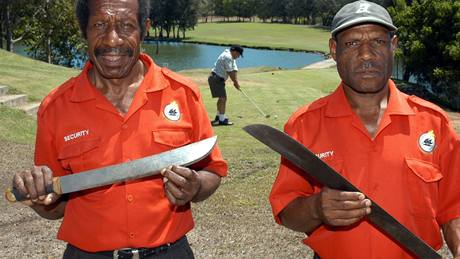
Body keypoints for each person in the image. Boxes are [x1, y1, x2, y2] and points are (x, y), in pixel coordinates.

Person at [10, 0, 228, 258]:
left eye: (126, 26)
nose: (112, 40)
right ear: (84, 29)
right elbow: (55, 207)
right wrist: (37, 196)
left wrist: (196, 186)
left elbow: (212, 170)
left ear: (144, 28)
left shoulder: (183, 93)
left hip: (170, 252)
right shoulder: (56, 108)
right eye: (99, 25)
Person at [269, 1, 460, 258]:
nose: (367, 55)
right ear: (334, 50)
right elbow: (287, 212)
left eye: (378, 42)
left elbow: (454, 210)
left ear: (393, 46)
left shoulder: (434, 122)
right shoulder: (304, 125)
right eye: (352, 43)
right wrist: (316, 208)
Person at [208, 45, 243, 126]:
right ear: (234, 51)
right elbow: (230, 72)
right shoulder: (227, 57)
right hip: (216, 79)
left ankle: (218, 116)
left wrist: (235, 82)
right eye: (238, 55)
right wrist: (236, 83)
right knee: (223, 99)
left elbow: (234, 69)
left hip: (217, 79)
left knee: (221, 99)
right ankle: (222, 120)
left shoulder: (230, 56)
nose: (238, 57)